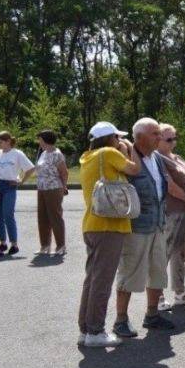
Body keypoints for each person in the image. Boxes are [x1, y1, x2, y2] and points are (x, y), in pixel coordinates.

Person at [113, 118, 185, 339]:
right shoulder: (128, 158)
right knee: (129, 273)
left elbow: (170, 181)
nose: (159, 138)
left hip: (159, 224)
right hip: (137, 227)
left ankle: (152, 315)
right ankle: (120, 319)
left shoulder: (156, 159)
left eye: (160, 134)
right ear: (139, 137)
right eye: (155, 134)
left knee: (158, 273)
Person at [77, 122, 140, 347]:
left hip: (93, 225)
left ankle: (86, 329)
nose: (119, 141)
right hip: (109, 226)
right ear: (110, 138)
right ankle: (95, 331)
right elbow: (135, 169)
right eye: (117, 137)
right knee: (102, 281)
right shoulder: (109, 153)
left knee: (92, 279)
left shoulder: (89, 156)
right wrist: (129, 149)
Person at [157, 124, 185, 311]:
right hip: (171, 211)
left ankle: (180, 292)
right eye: (169, 139)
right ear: (157, 140)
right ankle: (157, 296)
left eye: (175, 138)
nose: (173, 142)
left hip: (184, 211)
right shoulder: (158, 158)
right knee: (164, 253)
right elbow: (170, 186)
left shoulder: (175, 157)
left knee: (179, 253)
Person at [0, 131, 35, 254]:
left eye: (1, 142)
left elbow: (30, 168)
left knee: (8, 214)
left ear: (8, 141)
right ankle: (3, 242)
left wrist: (21, 181)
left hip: (10, 186)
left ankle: (14, 244)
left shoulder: (17, 154)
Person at [34, 130, 69, 256]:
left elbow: (64, 172)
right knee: (42, 217)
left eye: (40, 139)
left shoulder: (57, 154)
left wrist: (64, 187)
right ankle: (45, 245)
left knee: (55, 217)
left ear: (46, 140)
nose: (39, 142)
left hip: (54, 188)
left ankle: (61, 246)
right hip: (42, 188)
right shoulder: (43, 153)